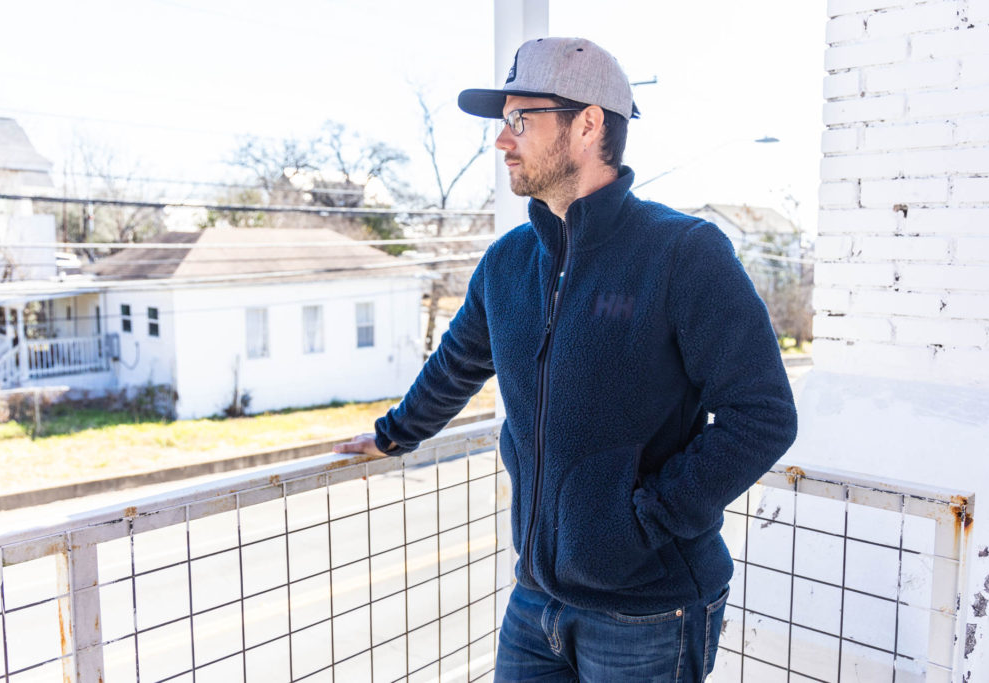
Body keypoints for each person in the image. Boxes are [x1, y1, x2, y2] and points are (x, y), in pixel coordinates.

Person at [335, 36, 797, 682]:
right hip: (537, 598)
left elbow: (763, 416)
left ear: (587, 124)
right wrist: (393, 434)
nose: (502, 140)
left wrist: (643, 521)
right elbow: (457, 364)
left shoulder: (684, 253)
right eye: (504, 122)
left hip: (650, 607)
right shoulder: (507, 263)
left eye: (522, 119)